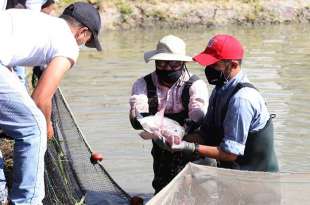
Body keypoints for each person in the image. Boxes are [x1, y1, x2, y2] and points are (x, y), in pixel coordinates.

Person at [0, 2, 102, 204]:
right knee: (34, 128)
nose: (81, 45)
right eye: (86, 41)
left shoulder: (35, 21)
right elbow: (40, 98)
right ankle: (28, 201)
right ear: (82, 32)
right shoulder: (69, 44)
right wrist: (46, 125)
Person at [171, 34, 279, 172]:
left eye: (214, 64)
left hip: (258, 181)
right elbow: (207, 134)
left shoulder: (242, 100)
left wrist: (188, 147)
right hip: (233, 174)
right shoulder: (220, 88)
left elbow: (230, 153)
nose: (208, 68)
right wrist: (178, 138)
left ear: (233, 65)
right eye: (207, 64)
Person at [129, 35, 209, 194]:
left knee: (198, 189)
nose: (167, 68)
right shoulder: (142, 84)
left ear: (183, 63)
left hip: (190, 140)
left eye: (173, 64)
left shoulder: (195, 85)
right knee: (163, 189)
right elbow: (138, 115)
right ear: (155, 62)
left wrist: (183, 134)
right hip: (159, 141)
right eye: (162, 63)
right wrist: (141, 120)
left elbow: (198, 113)